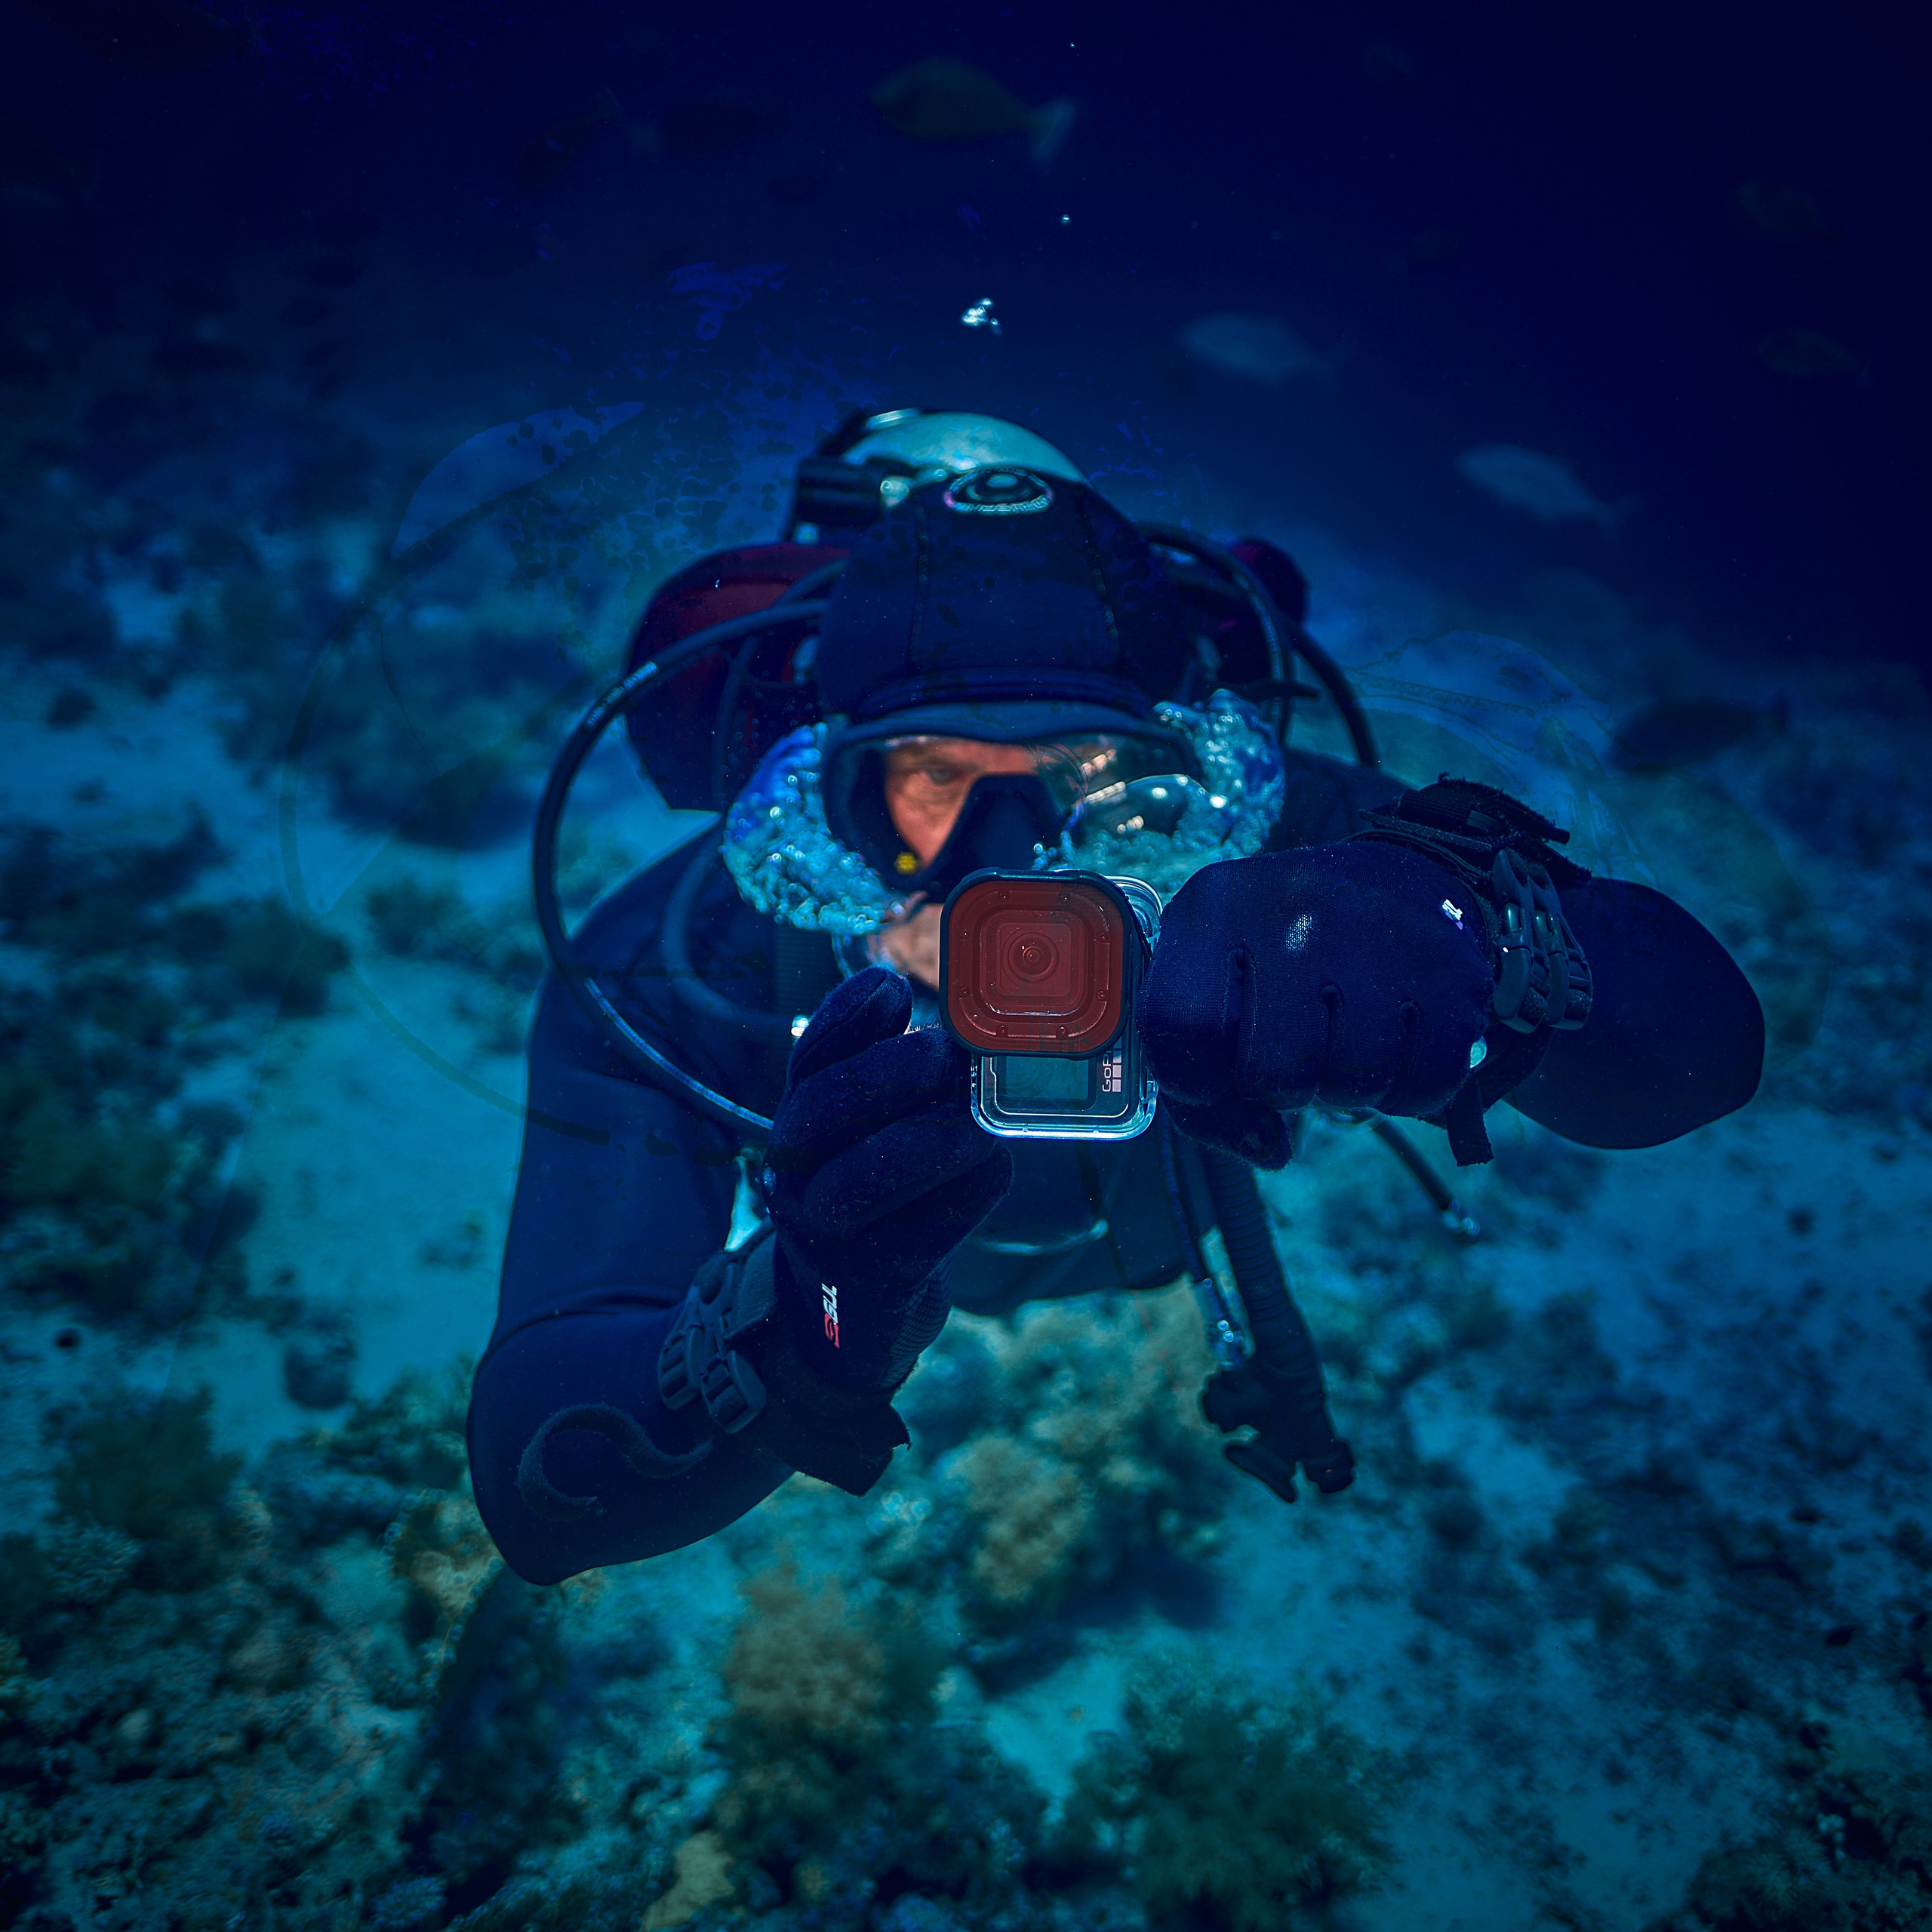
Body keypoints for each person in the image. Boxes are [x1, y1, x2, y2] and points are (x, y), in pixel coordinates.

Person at [467, 411, 1764, 1585]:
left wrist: (1464, 920)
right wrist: (798, 1324)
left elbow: (1700, 1053)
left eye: (1089, 771)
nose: (1010, 864)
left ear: (1187, 762)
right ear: (827, 792)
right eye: (932, 778)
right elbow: (541, 1490)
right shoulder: (681, 963)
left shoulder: (1283, 846)